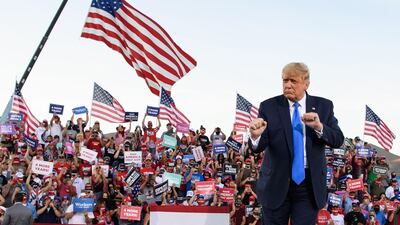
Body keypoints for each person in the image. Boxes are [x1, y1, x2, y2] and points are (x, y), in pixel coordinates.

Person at [248, 62, 344, 224]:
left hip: (308, 185)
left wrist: (319, 127)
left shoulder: (324, 106)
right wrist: (255, 136)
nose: (288, 85)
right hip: (276, 183)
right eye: (285, 81)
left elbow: (338, 139)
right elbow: (258, 147)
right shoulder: (269, 106)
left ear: (306, 83)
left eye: (293, 81)